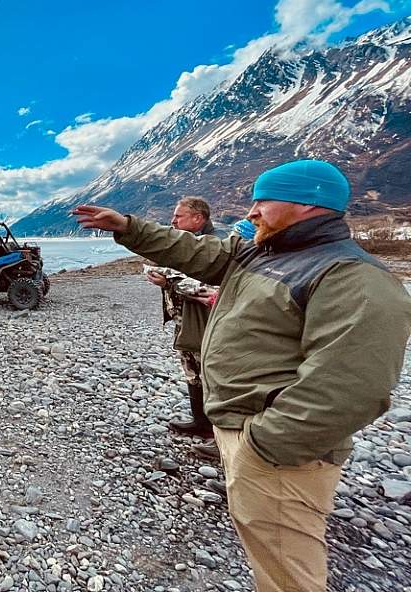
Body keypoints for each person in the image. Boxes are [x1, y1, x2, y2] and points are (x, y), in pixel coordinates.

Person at [72, 159, 411, 592]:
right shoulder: (263, 252)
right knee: (268, 554)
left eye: (263, 201)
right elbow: (192, 251)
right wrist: (127, 227)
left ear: (307, 205)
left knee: (289, 570)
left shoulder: (351, 277)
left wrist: (264, 445)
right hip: (243, 430)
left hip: (278, 449)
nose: (251, 212)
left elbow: (352, 386)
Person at [143, 197, 217, 456]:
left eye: (179, 217)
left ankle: (220, 435)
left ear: (198, 218)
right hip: (185, 320)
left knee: (211, 374)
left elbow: (209, 289)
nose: (173, 221)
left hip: (206, 324)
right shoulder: (187, 247)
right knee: (191, 369)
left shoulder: (212, 248)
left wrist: (169, 282)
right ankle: (201, 422)